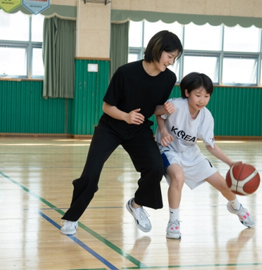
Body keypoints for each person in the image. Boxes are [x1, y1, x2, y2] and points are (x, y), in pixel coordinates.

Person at [60, 30, 183, 235]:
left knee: (155, 167)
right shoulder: (126, 72)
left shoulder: (169, 78)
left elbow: (155, 107)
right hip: (111, 126)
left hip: (139, 128)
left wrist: (165, 109)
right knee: (90, 174)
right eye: (169, 56)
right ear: (158, 49)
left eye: (175, 58)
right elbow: (107, 107)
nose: (171, 62)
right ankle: (72, 218)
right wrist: (126, 116)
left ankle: (136, 205)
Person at [155, 72, 255, 240]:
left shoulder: (206, 116)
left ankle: (237, 207)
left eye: (206, 96)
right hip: (169, 150)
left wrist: (230, 163)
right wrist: (164, 131)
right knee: (178, 177)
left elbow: (211, 146)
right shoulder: (176, 105)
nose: (202, 100)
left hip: (191, 154)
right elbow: (160, 114)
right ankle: (173, 221)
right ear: (187, 93)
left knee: (223, 184)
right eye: (198, 95)